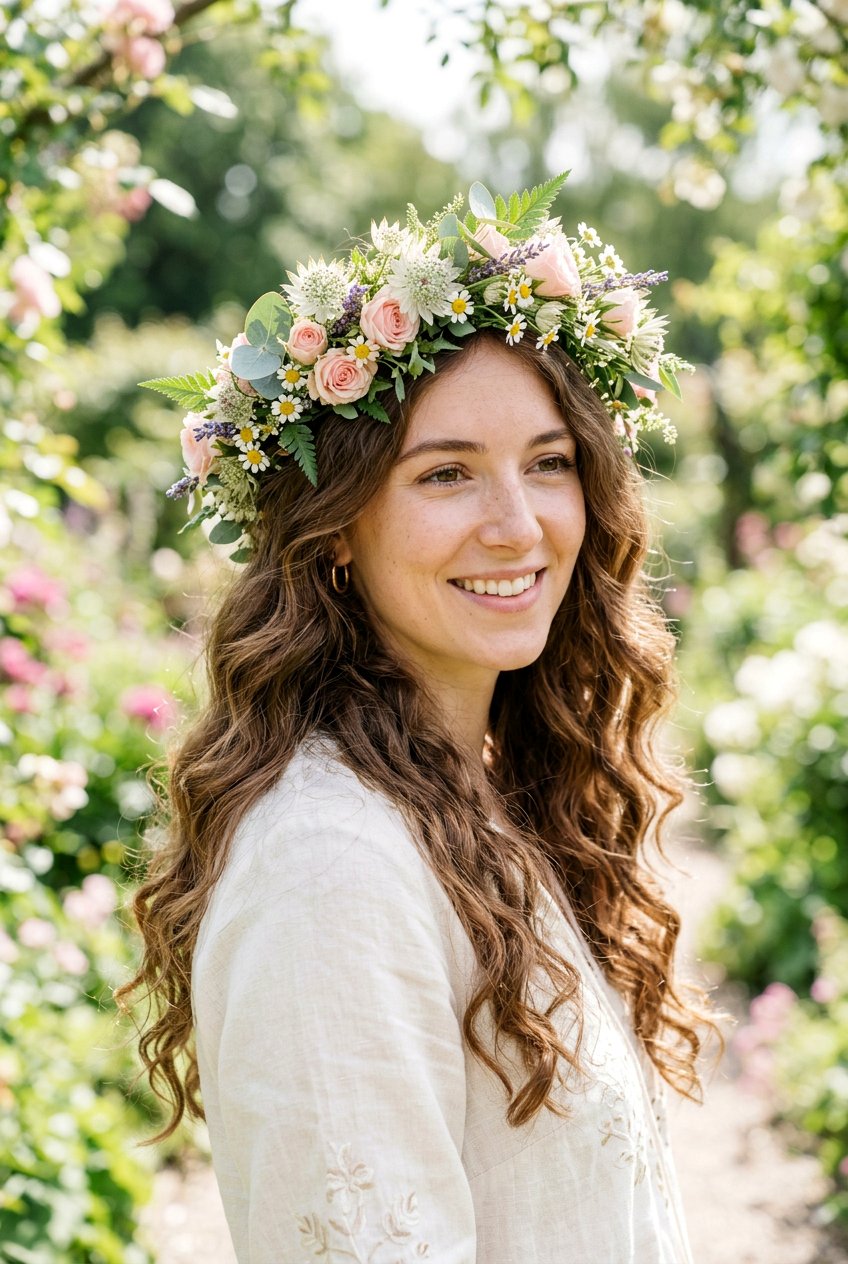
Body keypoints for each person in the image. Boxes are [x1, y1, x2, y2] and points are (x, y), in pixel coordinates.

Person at [118, 174, 724, 1263]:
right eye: (446, 473)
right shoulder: (329, 864)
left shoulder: (478, 782)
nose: (517, 523)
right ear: (336, 527)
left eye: (547, 464)